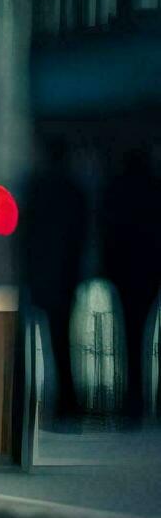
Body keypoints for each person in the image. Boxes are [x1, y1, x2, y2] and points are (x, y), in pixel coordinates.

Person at [17, 136, 89, 423]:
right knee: (62, 339)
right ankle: (66, 400)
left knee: (40, 339)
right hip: (65, 277)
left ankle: (40, 399)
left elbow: (26, 238)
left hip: (41, 277)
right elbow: (80, 235)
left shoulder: (36, 187)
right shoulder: (73, 188)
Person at [99, 147, 161, 422]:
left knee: (131, 336)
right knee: (146, 334)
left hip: (125, 273)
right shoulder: (153, 188)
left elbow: (108, 232)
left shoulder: (117, 189)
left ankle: (133, 398)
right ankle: (146, 398)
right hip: (148, 272)